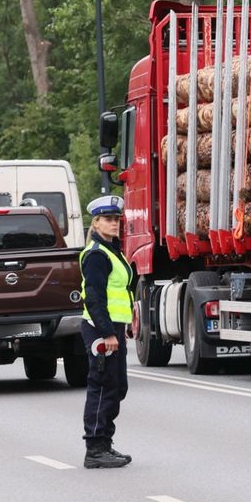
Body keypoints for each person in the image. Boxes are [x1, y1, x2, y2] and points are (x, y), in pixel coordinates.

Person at [79, 195, 136, 469]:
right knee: (102, 386)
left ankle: (104, 443)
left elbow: (120, 292)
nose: (114, 223)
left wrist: (123, 326)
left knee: (116, 386)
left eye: (116, 219)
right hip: (100, 329)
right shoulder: (96, 255)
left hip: (113, 328)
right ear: (96, 222)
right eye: (108, 219)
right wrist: (107, 332)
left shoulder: (112, 250)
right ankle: (95, 448)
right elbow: (94, 298)